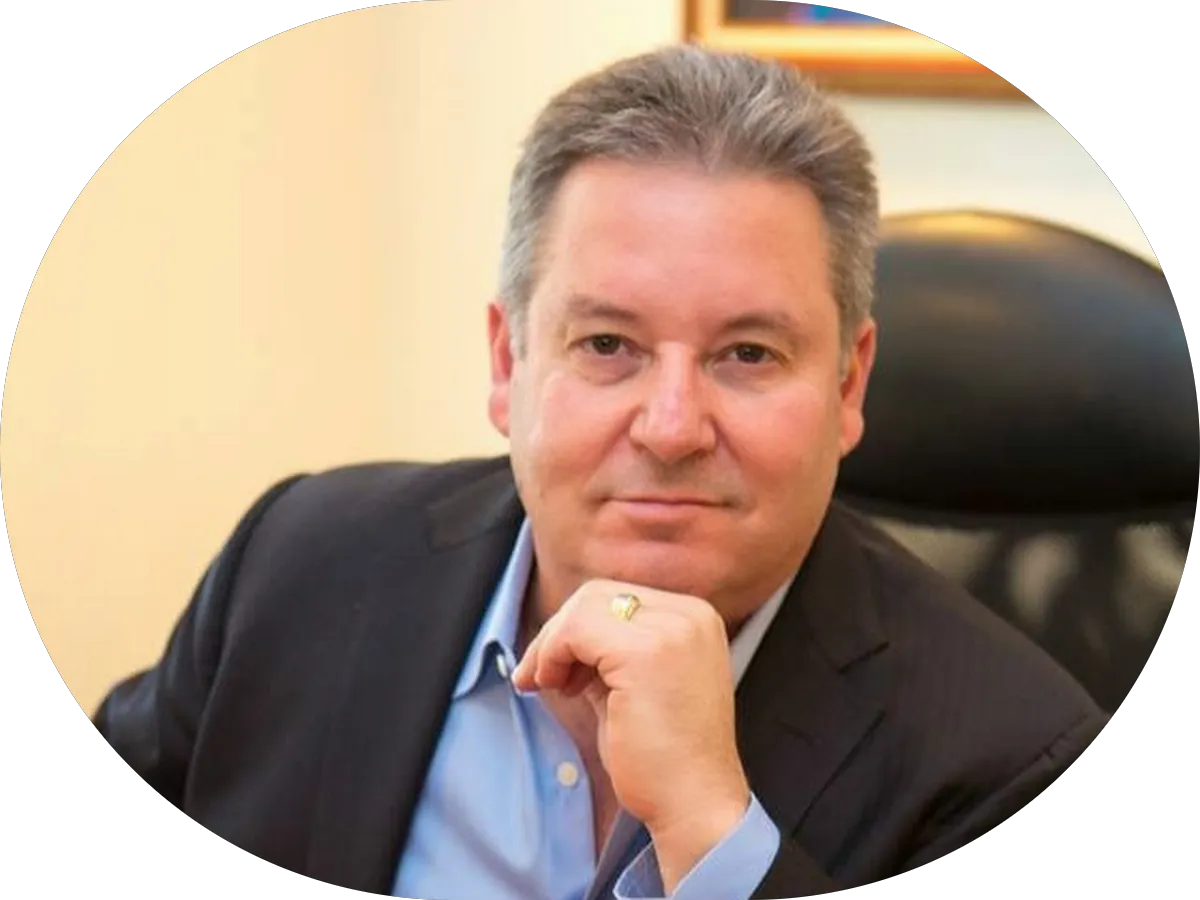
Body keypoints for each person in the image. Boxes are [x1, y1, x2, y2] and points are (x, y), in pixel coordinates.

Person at [93, 45, 1108, 899]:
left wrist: (715, 836)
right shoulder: (298, 563)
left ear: (849, 384)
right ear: (508, 363)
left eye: (747, 354)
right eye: (608, 344)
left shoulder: (1011, 762)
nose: (671, 427)